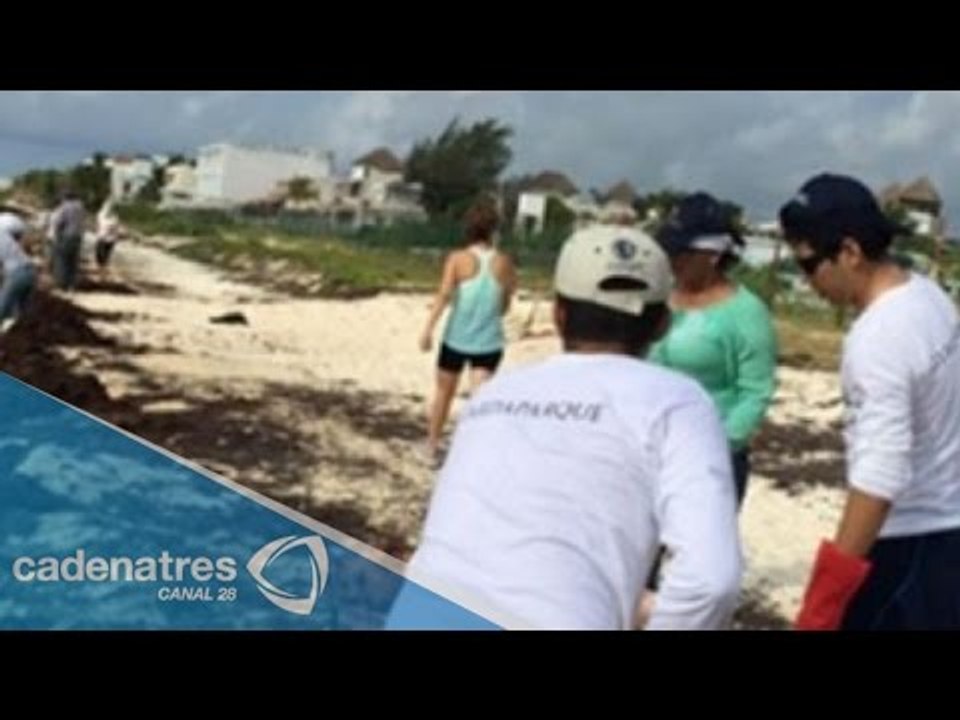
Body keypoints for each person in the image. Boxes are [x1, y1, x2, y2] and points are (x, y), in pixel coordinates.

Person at [394, 225, 742, 629]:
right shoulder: (678, 403)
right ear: (663, 323)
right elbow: (710, 582)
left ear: (559, 315)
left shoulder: (492, 397)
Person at [781, 173, 960, 630]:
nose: (809, 282)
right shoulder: (926, 295)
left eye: (809, 265)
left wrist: (823, 601)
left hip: (910, 542)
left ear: (849, 253)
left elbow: (880, 477)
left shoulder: (877, 338)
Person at [650, 192, 778, 506]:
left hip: (712, 456)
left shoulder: (746, 313)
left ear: (712, 254)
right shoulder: (657, 298)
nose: (672, 260)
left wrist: (715, 445)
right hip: (651, 449)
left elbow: (755, 392)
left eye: (682, 252)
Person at [419, 201, 517, 460]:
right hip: (489, 342)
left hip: (456, 338)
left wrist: (428, 329)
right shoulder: (505, 262)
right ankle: (474, 453)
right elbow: (505, 304)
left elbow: (444, 295)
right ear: (493, 230)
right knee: (480, 399)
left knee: (443, 393)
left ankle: (431, 446)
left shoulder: (457, 259)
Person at [0, 213, 37, 328]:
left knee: (3, 307)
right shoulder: (4, 231)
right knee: (23, 311)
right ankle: (25, 335)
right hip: (30, 271)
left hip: (17, 274)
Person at [49, 190, 86, 291]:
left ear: (65, 197)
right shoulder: (81, 207)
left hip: (66, 235)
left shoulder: (65, 207)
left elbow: (59, 222)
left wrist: (56, 235)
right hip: (78, 237)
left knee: (62, 260)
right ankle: (72, 285)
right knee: (73, 261)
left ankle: (61, 285)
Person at [94, 199, 121, 272]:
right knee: (101, 254)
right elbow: (98, 224)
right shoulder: (103, 215)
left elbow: (115, 227)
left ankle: (102, 267)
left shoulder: (113, 217)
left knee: (103, 254)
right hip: (104, 237)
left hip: (106, 238)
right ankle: (101, 267)